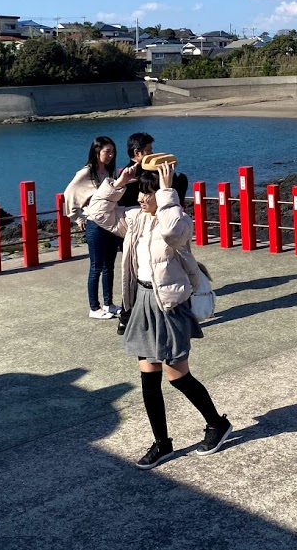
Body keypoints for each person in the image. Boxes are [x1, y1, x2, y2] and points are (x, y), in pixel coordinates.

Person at [117, 154, 232, 470]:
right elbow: (98, 212)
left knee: (177, 375)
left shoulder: (178, 221)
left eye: (147, 192)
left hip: (168, 304)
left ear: (166, 193)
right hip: (143, 301)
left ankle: (216, 423)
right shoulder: (137, 219)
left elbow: (171, 235)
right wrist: (119, 184)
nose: (141, 198)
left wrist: (167, 194)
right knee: (148, 378)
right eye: (140, 192)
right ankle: (162, 443)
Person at [64, 135, 123, 319]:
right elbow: (69, 194)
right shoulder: (86, 173)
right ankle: (94, 307)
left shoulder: (109, 173)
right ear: (97, 151)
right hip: (94, 224)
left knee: (109, 266)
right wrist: (77, 218)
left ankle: (109, 303)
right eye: (107, 151)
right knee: (96, 266)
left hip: (110, 223)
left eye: (113, 151)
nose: (111, 155)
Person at [118, 132, 155, 209]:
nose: (152, 154)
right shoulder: (129, 173)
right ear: (137, 152)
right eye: (148, 151)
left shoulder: (147, 168)